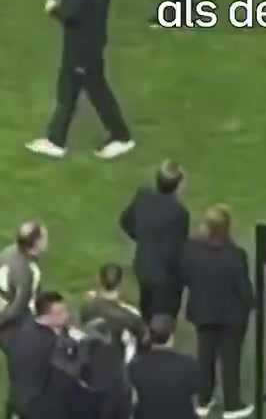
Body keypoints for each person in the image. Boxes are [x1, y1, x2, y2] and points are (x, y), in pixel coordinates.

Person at [26, 0, 134, 161]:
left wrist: (53, 9)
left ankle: (121, 136)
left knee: (95, 90)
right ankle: (56, 139)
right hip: (87, 40)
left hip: (83, 44)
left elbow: (72, 12)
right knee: (69, 89)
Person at [181, 205, 255, 419]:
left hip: (204, 312)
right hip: (231, 318)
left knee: (205, 357)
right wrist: (252, 304)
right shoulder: (235, 256)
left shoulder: (192, 251)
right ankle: (232, 405)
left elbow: (187, 277)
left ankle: (204, 400)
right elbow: (243, 288)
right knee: (230, 360)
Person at [119, 161, 189, 321]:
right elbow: (178, 249)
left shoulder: (143, 195)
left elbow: (126, 221)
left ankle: (145, 328)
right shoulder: (179, 213)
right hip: (165, 275)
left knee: (146, 305)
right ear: (178, 185)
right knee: (163, 314)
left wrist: (142, 238)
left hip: (143, 264)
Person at [79, 263, 145, 418]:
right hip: (121, 373)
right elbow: (144, 340)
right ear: (121, 284)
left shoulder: (87, 308)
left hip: (94, 370)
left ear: (99, 280)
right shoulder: (131, 316)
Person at [1, 290, 71, 419]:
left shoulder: (17, 333)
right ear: (50, 315)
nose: (68, 315)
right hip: (43, 410)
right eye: (62, 311)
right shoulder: (54, 345)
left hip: (17, 405)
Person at [128, 315, 201, 419]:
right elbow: (195, 404)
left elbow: (131, 402)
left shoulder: (134, 367)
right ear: (171, 336)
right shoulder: (188, 364)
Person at [0, 223, 47, 334]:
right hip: (14, 322)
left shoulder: (9, 251)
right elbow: (20, 305)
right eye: (44, 238)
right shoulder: (29, 271)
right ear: (37, 243)